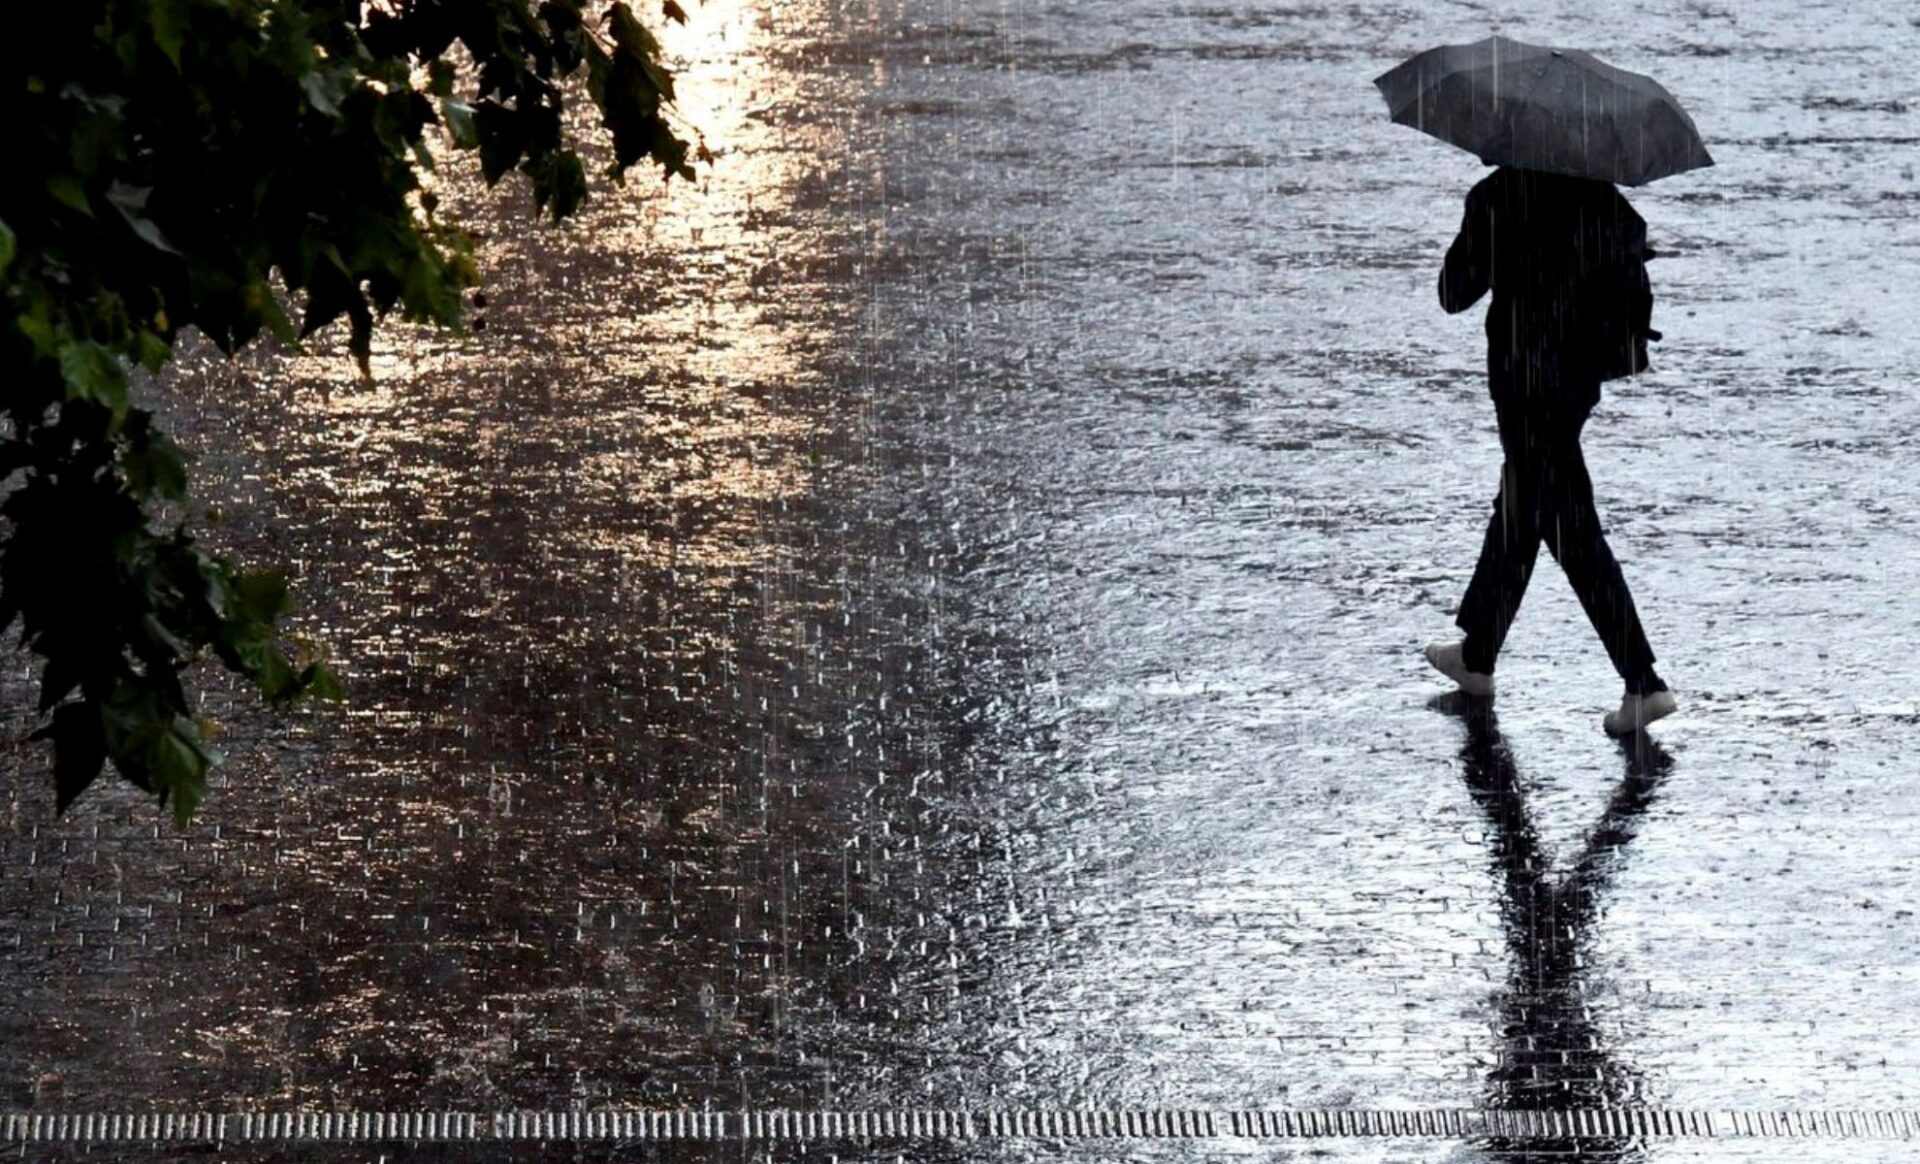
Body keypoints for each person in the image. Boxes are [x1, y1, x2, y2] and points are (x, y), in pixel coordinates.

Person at [1422, 165, 1677, 735]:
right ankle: (1477, 654)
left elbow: (1452, 293)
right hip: (1575, 381)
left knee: (1569, 530)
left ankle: (1643, 681)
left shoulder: (1499, 194)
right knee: (1522, 507)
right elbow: (1626, 275)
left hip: (1521, 379)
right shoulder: (1602, 197)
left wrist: (1485, 241)